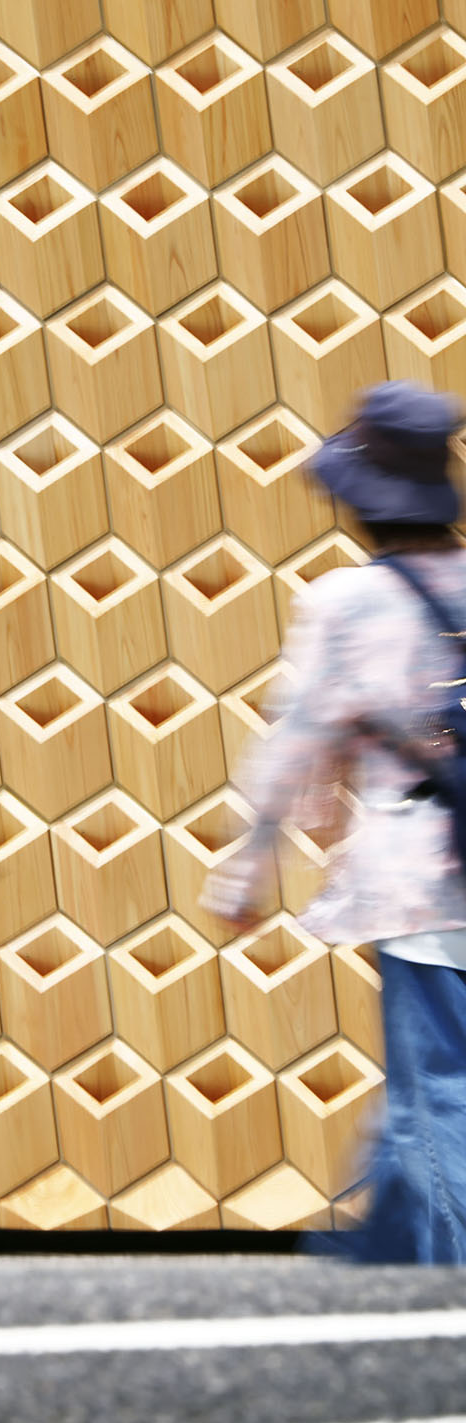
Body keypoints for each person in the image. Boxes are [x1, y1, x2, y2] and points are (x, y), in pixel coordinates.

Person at [206, 381, 466, 1263]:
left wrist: (253, 858)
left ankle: (442, 1281)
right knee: (427, 1084)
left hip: (425, 883)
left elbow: (300, 736)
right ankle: (390, 1248)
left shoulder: (349, 603)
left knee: (442, 1080)